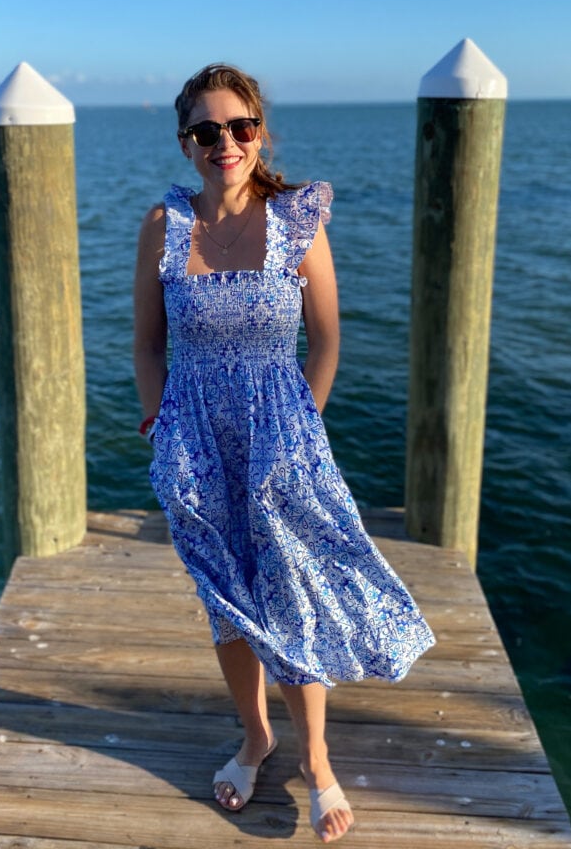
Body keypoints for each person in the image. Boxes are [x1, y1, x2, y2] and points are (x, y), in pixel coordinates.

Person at [133, 63, 435, 843]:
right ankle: (255, 736)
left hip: (282, 439)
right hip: (195, 441)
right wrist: (158, 421)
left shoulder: (298, 221)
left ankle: (317, 758)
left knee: (293, 592)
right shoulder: (163, 228)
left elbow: (327, 340)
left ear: (259, 132)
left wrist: (302, 429)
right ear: (185, 143)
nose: (225, 142)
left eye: (240, 127)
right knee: (228, 602)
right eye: (207, 130)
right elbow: (146, 344)